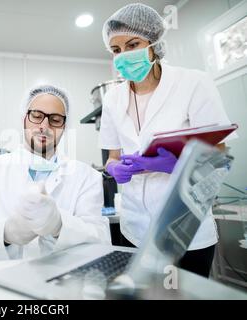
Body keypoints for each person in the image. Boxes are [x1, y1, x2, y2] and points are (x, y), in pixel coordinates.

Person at [99, 3, 238, 277]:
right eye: (116, 50)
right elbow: (111, 158)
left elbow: (220, 153)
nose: (124, 55)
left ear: (154, 44)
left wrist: (174, 164)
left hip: (186, 228)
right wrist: (115, 169)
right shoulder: (112, 99)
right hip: (134, 229)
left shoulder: (193, 83)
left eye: (133, 44)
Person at [0, 85, 111, 261]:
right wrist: (7, 233)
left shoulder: (86, 176)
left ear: (64, 126)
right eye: (36, 116)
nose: (44, 126)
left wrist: (60, 225)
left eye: (55, 119)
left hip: (64, 281)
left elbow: (102, 241)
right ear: (24, 120)